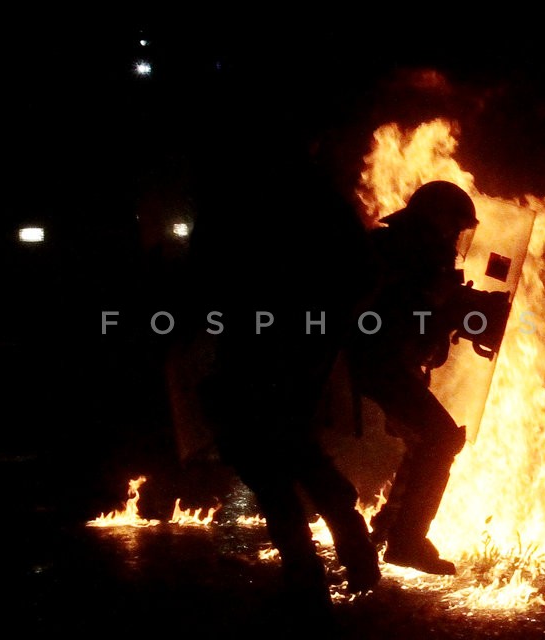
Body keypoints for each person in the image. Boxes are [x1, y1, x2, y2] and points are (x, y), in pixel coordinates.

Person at [187, 142, 381, 621]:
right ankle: (349, 556)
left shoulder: (239, 196)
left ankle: (311, 574)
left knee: (265, 453)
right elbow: (361, 267)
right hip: (287, 340)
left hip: (263, 341)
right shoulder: (312, 192)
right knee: (288, 447)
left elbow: (204, 270)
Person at [345, 180, 478, 576]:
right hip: (373, 361)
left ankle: (391, 529)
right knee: (440, 437)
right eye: (453, 225)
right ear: (436, 219)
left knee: (427, 438)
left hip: (381, 362)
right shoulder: (401, 251)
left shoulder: (401, 247)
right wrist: (438, 302)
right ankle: (406, 541)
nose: (456, 236)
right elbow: (387, 312)